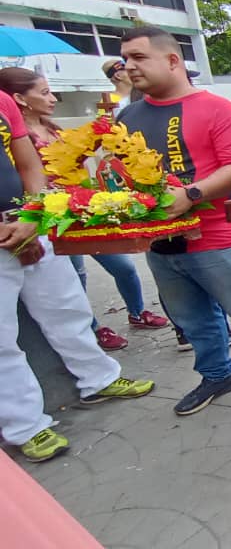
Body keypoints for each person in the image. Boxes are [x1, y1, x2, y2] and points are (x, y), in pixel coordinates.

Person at [117, 26, 231, 421]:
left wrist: (190, 195)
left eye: (139, 57)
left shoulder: (216, 108)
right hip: (158, 243)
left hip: (216, 238)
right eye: (126, 58)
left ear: (172, 60)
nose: (129, 66)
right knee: (192, 318)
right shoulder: (128, 116)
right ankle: (216, 375)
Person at [0, 89, 154, 463]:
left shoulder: (4, 102)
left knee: (67, 307)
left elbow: (27, 164)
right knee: (2, 342)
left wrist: (32, 215)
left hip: (29, 222)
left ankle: (98, 379)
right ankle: (26, 426)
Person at [0, 67, 171, 350]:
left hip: (82, 207)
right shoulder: (19, 139)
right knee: (74, 278)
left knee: (123, 266)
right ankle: (93, 330)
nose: (53, 98)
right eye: (44, 93)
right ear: (19, 98)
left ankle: (137, 311)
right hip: (48, 216)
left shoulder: (53, 128)